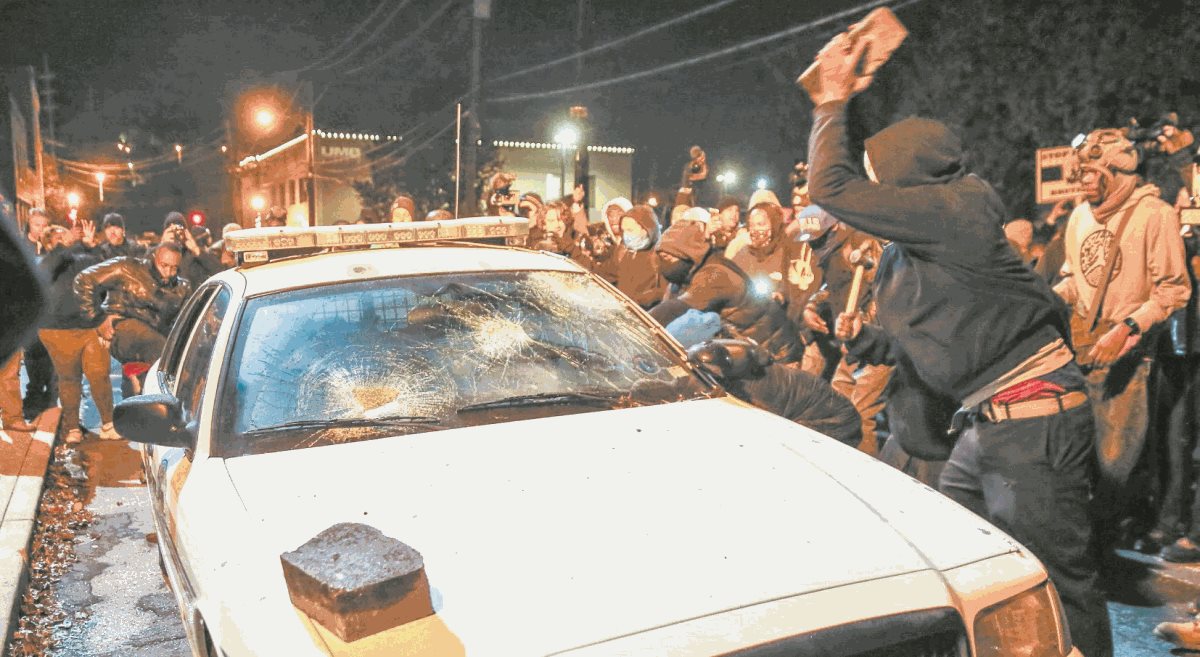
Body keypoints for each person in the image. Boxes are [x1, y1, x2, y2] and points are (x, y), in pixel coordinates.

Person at [803, 29, 1111, 656]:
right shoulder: (913, 249)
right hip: (985, 427)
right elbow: (924, 347)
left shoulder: (956, 211)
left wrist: (832, 100)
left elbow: (829, 187)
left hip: (1033, 419)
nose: (873, 190)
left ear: (909, 175)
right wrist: (865, 341)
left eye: (879, 175)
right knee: (973, 570)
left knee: (1059, 577)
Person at [1053, 128, 1190, 547]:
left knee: (1118, 458)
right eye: (1081, 172)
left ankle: (1109, 542)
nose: (1083, 180)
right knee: (1082, 455)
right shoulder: (1078, 218)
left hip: (1130, 352)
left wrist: (1129, 328)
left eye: (1092, 172)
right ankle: (1097, 538)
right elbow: (1074, 280)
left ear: (1117, 171)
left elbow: (1173, 289)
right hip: (1083, 348)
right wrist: (1043, 300)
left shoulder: (1155, 215)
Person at [649, 219, 804, 365]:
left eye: (667, 257)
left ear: (687, 254)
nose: (664, 264)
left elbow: (676, 308)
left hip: (777, 352)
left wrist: (640, 326)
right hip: (752, 350)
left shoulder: (715, 274)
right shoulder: (690, 273)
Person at [37, 225, 116, 443]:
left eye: (67, 235)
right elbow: (46, 271)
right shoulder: (46, 261)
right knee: (69, 379)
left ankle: (108, 424)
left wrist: (93, 247)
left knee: (99, 373)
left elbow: (103, 273)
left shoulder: (80, 257)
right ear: (50, 244)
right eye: (60, 237)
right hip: (58, 330)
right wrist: (64, 246)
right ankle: (72, 428)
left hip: (90, 326)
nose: (69, 238)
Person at [74, 242, 192, 366]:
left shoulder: (182, 288)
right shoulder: (126, 268)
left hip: (154, 335)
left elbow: (184, 323)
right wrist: (98, 319)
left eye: (174, 268)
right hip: (121, 325)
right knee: (159, 350)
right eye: (164, 265)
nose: (168, 272)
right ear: (154, 258)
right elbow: (83, 280)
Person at [614, 204, 664, 309]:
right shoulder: (624, 253)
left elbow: (664, 293)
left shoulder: (662, 256)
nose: (626, 235)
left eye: (630, 230)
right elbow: (600, 274)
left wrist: (638, 301)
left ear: (646, 229)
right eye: (624, 230)